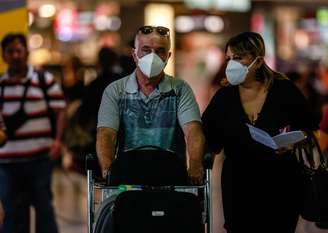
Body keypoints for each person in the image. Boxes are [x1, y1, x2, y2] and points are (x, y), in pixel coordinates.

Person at [202, 32, 318, 233]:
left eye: (238, 58)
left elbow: (308, 127)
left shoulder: (284, 90)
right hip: (238, 184)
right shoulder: (224, 97)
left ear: (258, 61)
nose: (231, 64)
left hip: (281, 183)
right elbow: (210, 139)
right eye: (228, 58)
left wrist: (293, 142)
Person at [96, 25, 205, 184]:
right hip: (128, 178)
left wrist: (195, 166)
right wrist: (108, 169)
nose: (152, 57)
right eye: (146, 50)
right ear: (134, 54)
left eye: (159, 51)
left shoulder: (180, 90)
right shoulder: (115, 91)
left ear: (168, 56)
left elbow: (193, 131)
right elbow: (106, 133)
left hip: (171, 178)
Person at [0, 33, 66, 233]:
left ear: (26, 53)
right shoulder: (0, 86)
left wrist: (57, 141)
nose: (16, 55)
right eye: (10, 51)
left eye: (19, 50)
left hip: (39, 160)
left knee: (44, 211)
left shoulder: (43, 79)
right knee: (11, 214)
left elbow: (60, 110)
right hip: (7, 165)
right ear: (4, 56)